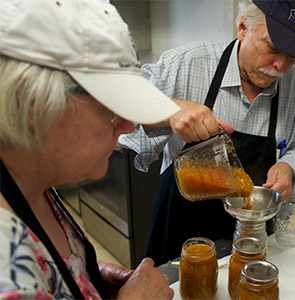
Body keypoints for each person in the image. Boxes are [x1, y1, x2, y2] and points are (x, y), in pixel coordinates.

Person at [0, 0, 180, 299]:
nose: (127, 127)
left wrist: (87, 273)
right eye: (111, 108)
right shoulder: (8, 268)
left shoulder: (31, 183)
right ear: (29, 102)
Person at [119, 0, 295, 267]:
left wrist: (289, 166)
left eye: (292, 57)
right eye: (273, 48)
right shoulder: (187, 65)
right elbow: (119, 106)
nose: (280, 66)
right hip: (181, 239)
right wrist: (169, 110)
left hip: (251, 239)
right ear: (243, 28)